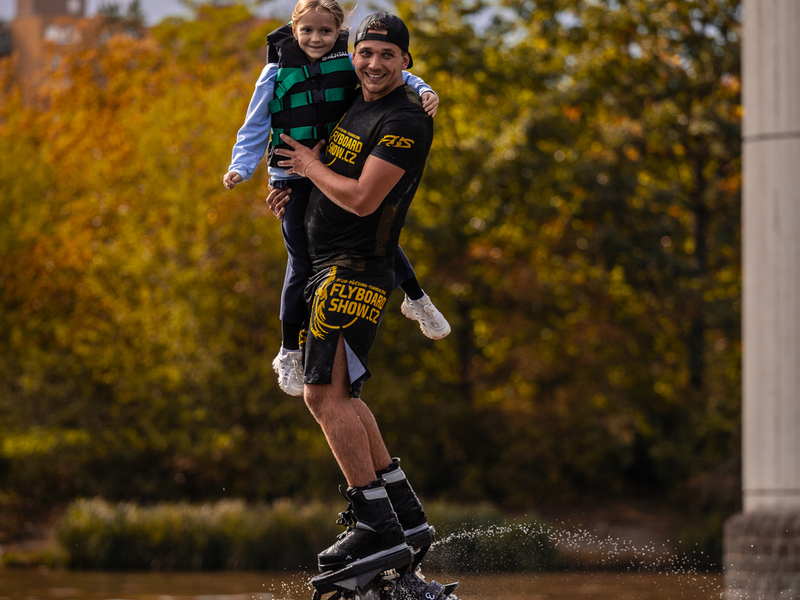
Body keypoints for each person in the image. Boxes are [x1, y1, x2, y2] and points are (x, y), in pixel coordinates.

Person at [266, 11, 436, 575]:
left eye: (388, 55)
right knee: (346, 397)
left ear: (405, 62)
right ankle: (404, 517)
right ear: (352, 52)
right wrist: (294, 186)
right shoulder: (355, 104)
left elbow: (363, 199)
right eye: (366, 52)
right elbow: (318, 153)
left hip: (355, 270)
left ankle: (376, 529)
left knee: (322, 397)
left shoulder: (405, 120)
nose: (374, 63)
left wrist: (311, 167)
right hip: (329, 267)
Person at [223, 0, 450, 398]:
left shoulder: (351, 62)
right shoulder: (276, 70)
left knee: (381, 239)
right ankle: (289, 348)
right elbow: (255, 123)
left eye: (326, 32)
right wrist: (243, 168)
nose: (316, 39)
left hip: (328, 174)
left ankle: (416, 298)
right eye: (307, 31)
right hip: (291, 176)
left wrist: (426, 88)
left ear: (338, 33)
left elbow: (404, 75)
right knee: (300, 263)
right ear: (293, 31)